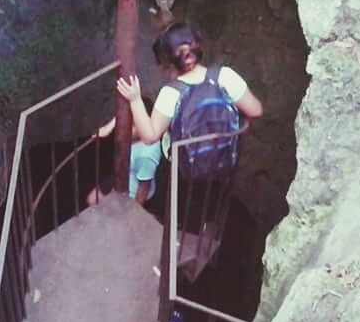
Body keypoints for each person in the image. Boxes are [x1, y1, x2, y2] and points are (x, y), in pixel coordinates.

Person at [116, 22, 264, 145]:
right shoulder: (226, 76)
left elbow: (149, 137)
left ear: (168, 64)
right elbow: (256, 111)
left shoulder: (171, 93)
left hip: (187, 173)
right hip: (225, 163)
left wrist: (135, 100)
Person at [86, 96, 162, 206]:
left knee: (110, 210)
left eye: (133, 125)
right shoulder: (136, 137)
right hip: (124, 173)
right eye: (127, 122)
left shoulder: (146, 156)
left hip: (132, 189)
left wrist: (134, 211)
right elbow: (124, 112)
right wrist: (109, 127)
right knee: (92, 199)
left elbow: (143, 188)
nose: (126, 128)